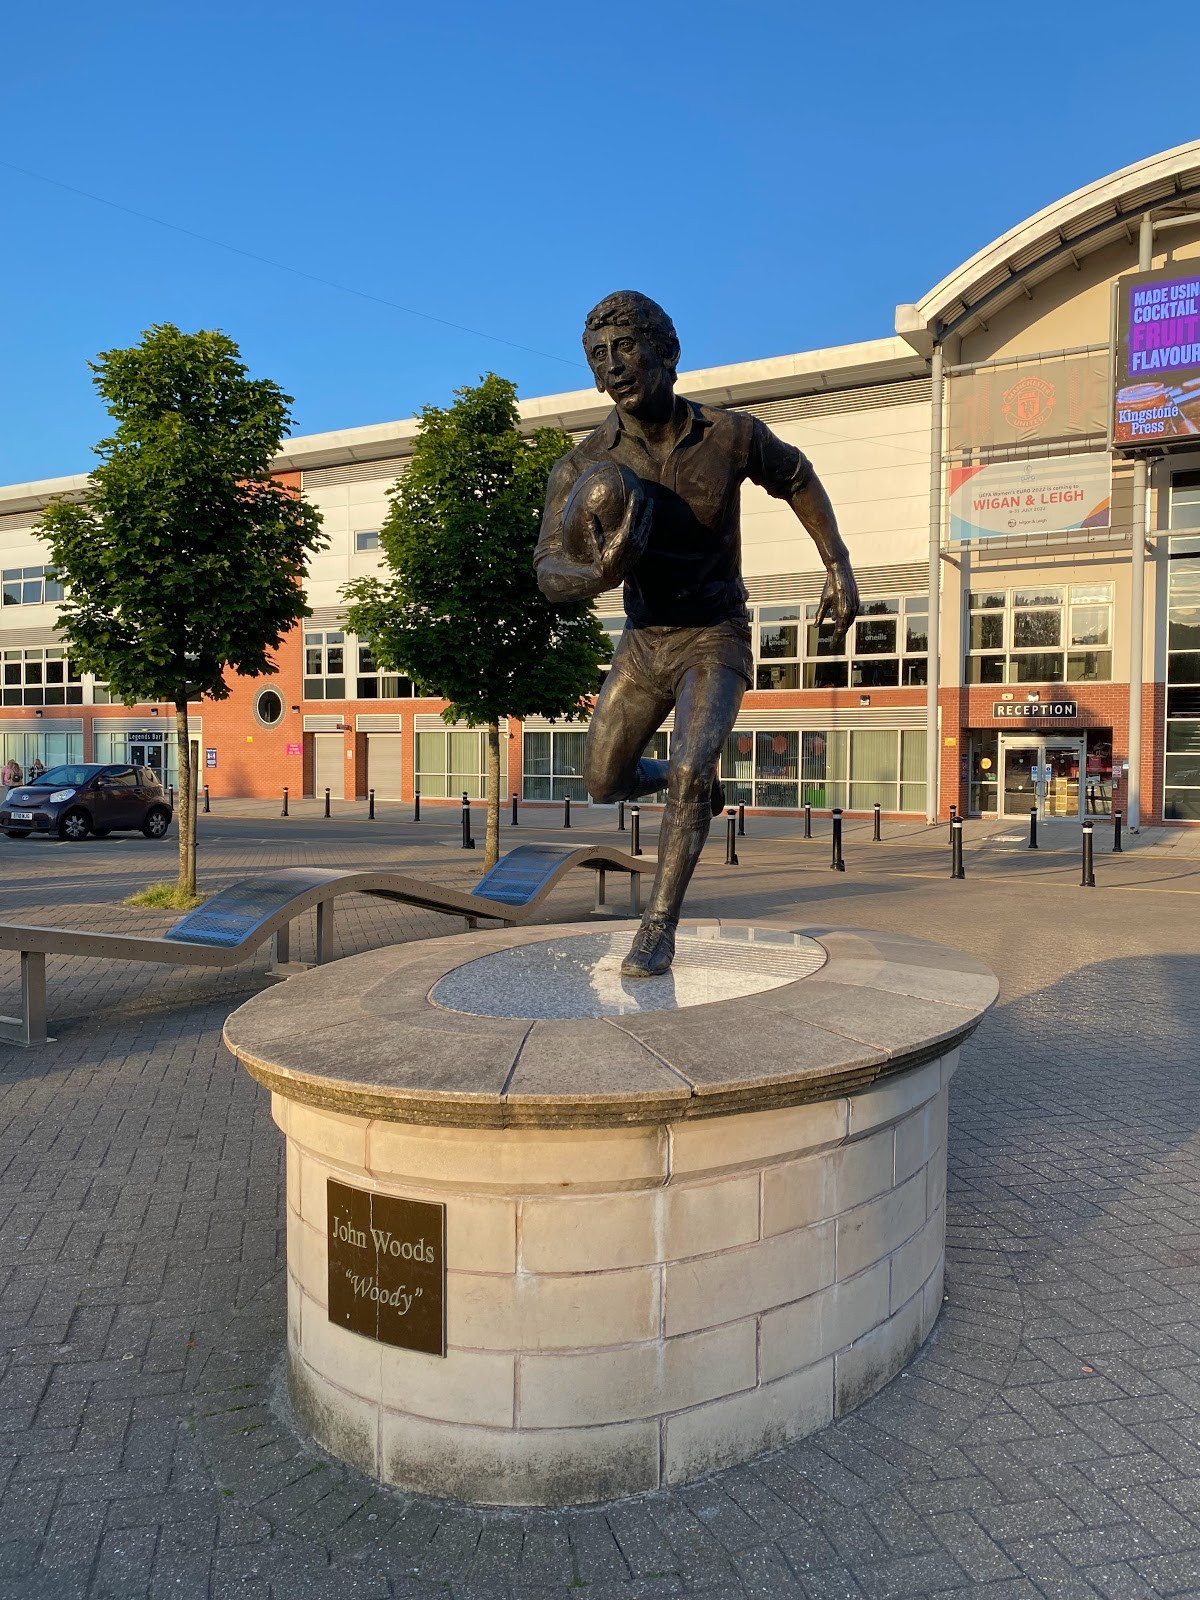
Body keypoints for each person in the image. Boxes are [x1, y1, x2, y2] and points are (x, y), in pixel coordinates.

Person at [536, 290, 859, 976]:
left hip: (715, 632)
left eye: (626, 347)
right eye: (598, 355)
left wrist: (837, 563)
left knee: (688, 768)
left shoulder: (729, 434)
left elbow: (797, 476)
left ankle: (658, 927)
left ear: (668, 353)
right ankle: (689, 782)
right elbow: (548, 569)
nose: (613, 365)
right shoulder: (583, 465)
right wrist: (595, 574)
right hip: (644, 641)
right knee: (602, 781)